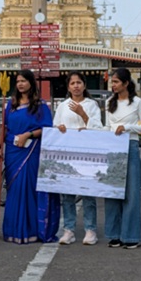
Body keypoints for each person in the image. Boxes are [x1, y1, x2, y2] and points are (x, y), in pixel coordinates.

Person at [0, 69, 57, 243]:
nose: (20, 84)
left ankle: (31, 230)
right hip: (13, 151)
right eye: (18, 81)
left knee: (29, 189)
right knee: (14, 189)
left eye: (23, 81)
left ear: (31, 83)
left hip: (31, 151)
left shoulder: (39, 105)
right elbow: (5, 127)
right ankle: (13, 230)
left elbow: (47, 128)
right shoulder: (11, 104)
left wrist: (28, 135)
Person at [53, 72, 103, 245]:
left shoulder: (92, 104)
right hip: (68, 153)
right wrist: (59, 128)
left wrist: (83, 115)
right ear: (68, 87)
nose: (76, 86)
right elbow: (55, 126)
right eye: (72, 83)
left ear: (84, 85)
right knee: (67, 193)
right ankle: (69, 230)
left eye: (79, 82)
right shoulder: (63, 106)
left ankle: (90, 229)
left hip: (87, 153)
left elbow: (98, 127)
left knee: (88, 192)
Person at [104, 67, 141, 249]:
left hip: (130, 145)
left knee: (131, 193)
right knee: (112, 192)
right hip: (112, 147)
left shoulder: (137, 102)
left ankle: (131, 236)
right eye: (112, 82)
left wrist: (127, 127)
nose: (113, 85)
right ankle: (114, 234)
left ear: (126, 83)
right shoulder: (109, 102)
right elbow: (107, 126)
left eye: (116, 82)